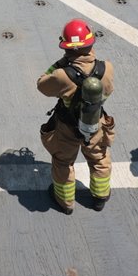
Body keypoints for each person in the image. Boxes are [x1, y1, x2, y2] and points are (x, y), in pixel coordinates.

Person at [38, 18, 115, 213]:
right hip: (96, 123)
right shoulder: (106, 68)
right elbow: (108, 90)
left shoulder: (62, 75)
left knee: (63, 162)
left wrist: (61, 63)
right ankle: (100, 197)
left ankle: (65, 203)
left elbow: (42, 84)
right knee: (99, 158)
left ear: (67, 49)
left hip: (66, 127)